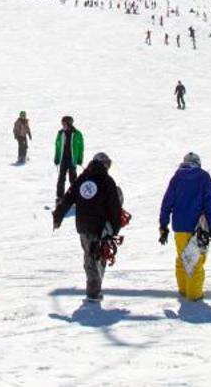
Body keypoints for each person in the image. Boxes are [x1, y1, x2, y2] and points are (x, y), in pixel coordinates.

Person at [52, 151, 125, 303]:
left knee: (90, 255)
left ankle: (94, 288)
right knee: (99, 256)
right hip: (101, 226)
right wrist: (115, 227)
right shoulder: (107, 180)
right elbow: (114, 207)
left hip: (83, 225)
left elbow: (67, 198)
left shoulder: (82, 179)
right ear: (105, 163)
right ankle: (93, 291)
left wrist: (58, 216)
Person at [158, 151, 211, 300]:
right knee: (196, 262)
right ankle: (194, 296)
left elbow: (167, 202)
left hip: (179, 227)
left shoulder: (176, 178)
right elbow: (209, 203)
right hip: (197, 227)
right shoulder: (204, 177)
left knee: (182, 259)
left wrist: (163, 225)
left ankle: (183, 290)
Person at [53, 115, 85, 202]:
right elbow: (57, 146)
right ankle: (60, 197)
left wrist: (80, 158)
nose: (63, 125)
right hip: (63, 159)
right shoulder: (60, 133)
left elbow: (81, 147)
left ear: (69, 123)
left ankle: (75, 197)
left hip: (72, 160)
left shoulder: (77, 134)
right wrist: (56, 157)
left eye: (64, 123)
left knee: (73, 179)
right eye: (62, 123)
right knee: (61, 179)